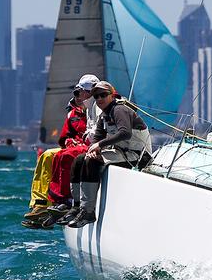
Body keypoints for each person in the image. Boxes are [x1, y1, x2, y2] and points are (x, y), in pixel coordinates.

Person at [62, 81, 152, 228]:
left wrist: (99, 146)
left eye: (103, 95)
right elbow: (96, 139)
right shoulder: (104, 115)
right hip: (121, 153)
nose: (99, 99)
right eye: (96, 96)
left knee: (90, 163)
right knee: (80, 160)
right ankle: (76, 206)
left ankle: (88, 212)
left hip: (138, 157)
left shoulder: (119, 110)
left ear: (112, 95)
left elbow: (125, 133)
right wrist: (93, 150)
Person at [22, 74, 100, 229]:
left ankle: (62, 202)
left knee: (62, 155)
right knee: (47, 155)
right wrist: (70, 142)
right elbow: (65, 137)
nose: (79, 96)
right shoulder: (72, 113)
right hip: (75, 147)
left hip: (88, 147)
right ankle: (41, 204)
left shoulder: (99, 108)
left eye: (82, 92)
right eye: (76, 93)